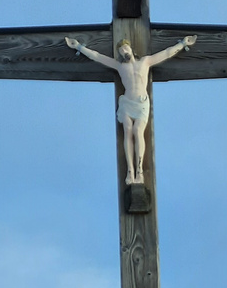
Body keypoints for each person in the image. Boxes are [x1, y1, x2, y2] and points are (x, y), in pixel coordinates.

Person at [64, 33, 197, 184]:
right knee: (128, 130)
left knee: (137, 131)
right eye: (121, 51)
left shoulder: (145, 62)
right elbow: (97, 56)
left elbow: (165, 53)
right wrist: (79, 47)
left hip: (141, 103)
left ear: (131, 49)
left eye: (125, 48)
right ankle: (130, 170)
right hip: (127, 102)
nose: (124, 52)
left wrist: (182, 44)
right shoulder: (120, 66)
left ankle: (139, 170)